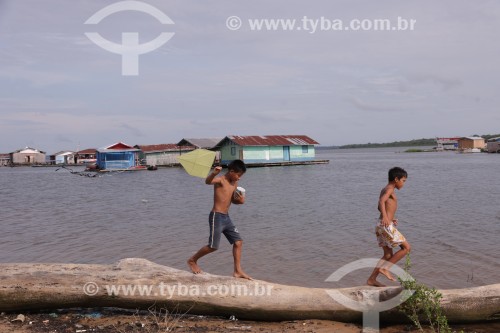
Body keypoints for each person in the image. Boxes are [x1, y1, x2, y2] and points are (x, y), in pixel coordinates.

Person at [187, 159, 252, 280]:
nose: (239, 178)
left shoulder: (234, 183)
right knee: (213, 246)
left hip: (226, 218)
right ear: (232, 171)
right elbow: (208, 181)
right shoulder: (220, 180)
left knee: (238, 242)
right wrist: (214, 173)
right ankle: (192, 260)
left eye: (241, 176)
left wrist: (240, 201)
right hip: (216, 217)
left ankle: (237, 271)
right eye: (238, 175)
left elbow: (232, 200)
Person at [367, 167, 411, 287]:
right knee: (406, 248)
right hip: (384, 224)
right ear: (396, 179)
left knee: (388, 255)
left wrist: (389, 218)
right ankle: (385, 268)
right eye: (403, 180)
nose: (404, 183)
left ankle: (372, 279)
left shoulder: (385, 188)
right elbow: (382, 201)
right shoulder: (390, 189)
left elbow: (379, 206)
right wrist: (386, 218)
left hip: (381, 224)